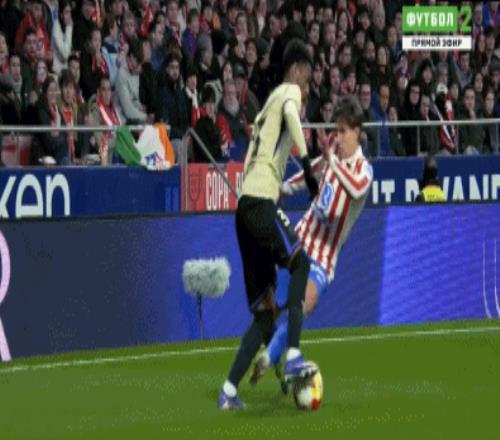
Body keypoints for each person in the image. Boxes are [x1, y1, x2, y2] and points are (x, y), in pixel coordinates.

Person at [218, 39, 320, 411]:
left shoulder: (265, 109)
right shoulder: (288, 92)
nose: (306, 92)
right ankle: (292, 353)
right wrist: (307, 164)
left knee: (265, 315)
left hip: (246, 208)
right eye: (307, 82)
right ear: (298, 72)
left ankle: (228, 392)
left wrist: (288, 184)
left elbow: (263, 160)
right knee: (301, 262)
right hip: (260, 203)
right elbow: (293, 112)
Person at [249, 95, 373, 388]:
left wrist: (332, 161)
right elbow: (312, 171)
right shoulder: (332, 155)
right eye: (336, 130)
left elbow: (355, 189)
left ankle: (268, 357)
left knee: (300, 306)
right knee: (277, 306)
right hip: (300, 238)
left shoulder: (363, 170)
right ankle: (276, 354)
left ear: (357, 132)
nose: (337, 137)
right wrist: (281, 188)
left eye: (343, 131)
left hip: (324, 256)